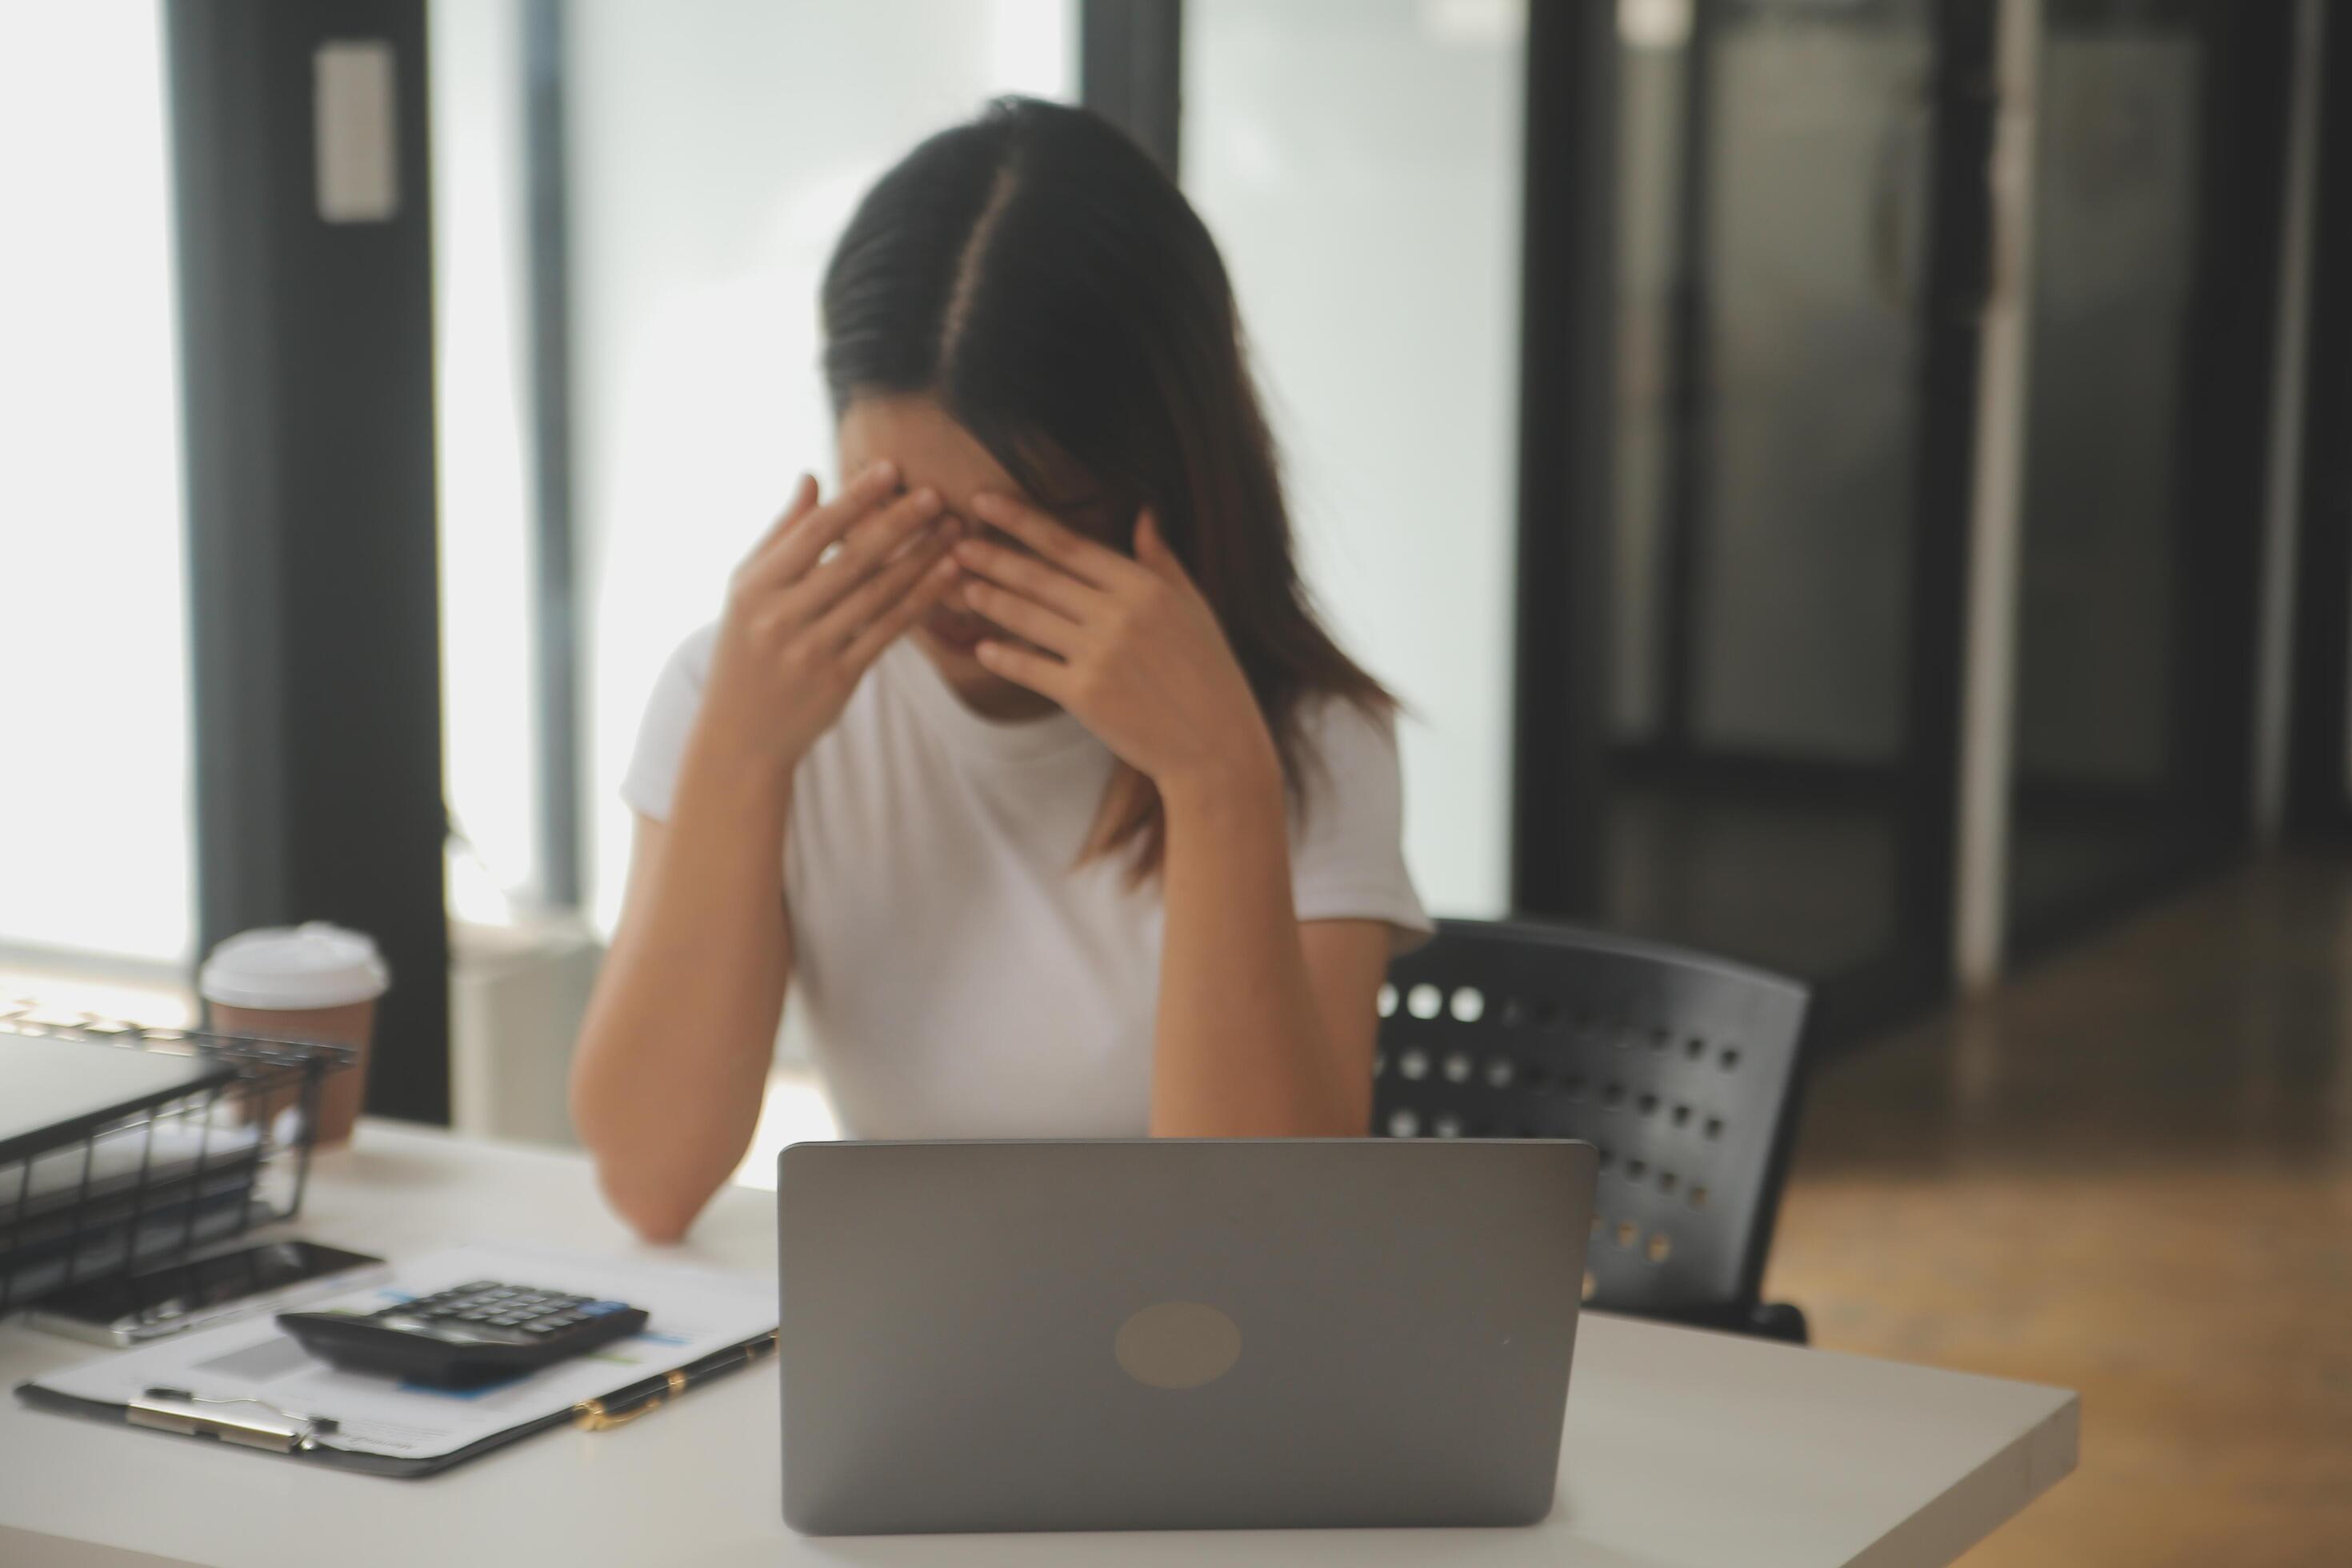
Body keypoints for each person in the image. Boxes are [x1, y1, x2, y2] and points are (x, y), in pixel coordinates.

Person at [571, 98, 1428, 1242]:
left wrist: (1219, 784)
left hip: (1198, 1358)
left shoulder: (1303, 738)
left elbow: (1268, 1241)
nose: (950, 585)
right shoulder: (756, 691)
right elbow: (649, 1178)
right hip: (914, 1334)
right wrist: (738, 755)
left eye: (1023, 529)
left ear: (1161, 479)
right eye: (900, 513)